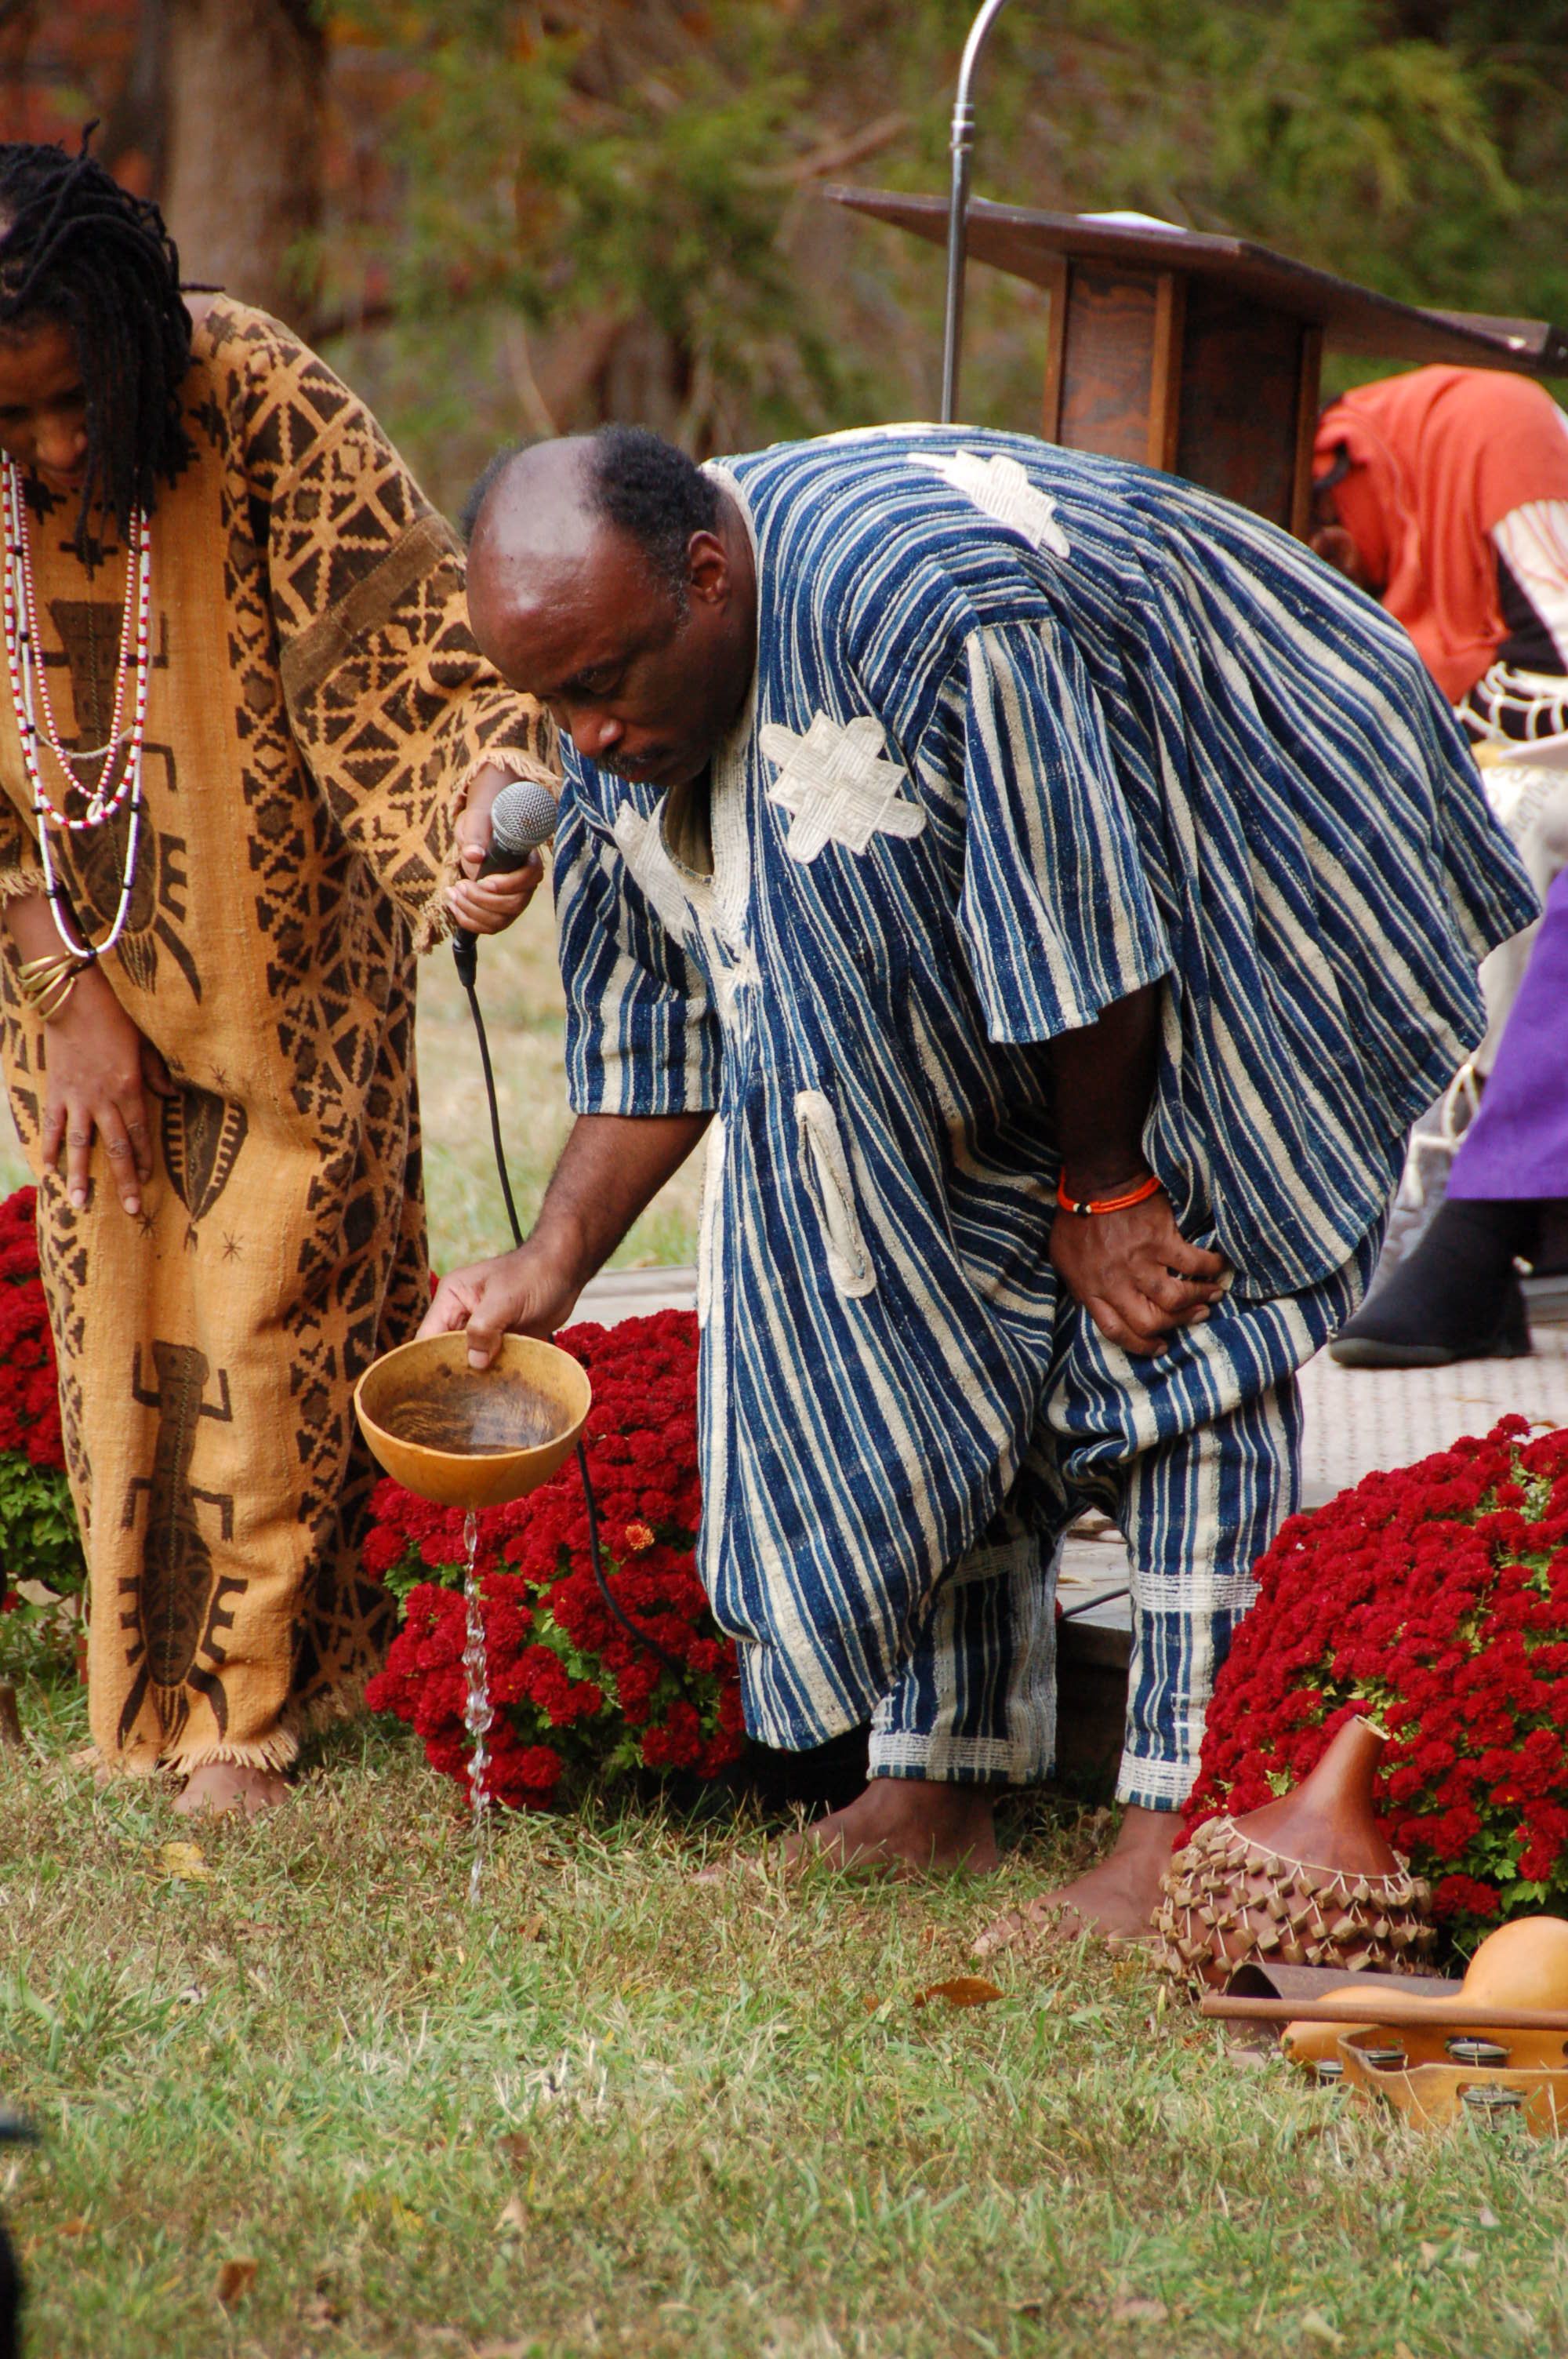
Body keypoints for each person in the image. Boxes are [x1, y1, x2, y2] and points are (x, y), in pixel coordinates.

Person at [423, 423, 1531, 1938]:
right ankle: (934, 1784)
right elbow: (669, 1017)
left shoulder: (938, 611)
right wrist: (549, 1258)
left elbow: (1084, 913)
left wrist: (1102, 1185)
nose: (584, 737)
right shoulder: (621, 677)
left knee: (1173, 1321)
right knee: (932, 1270)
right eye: (549, 701)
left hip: (1230, 816)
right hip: (1060, 923)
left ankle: (1176, 1815)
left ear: (706, 577)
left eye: (600, 686)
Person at [0, 140, 556, 1815]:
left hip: (286, 965)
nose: (46, 448)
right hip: (65, 976)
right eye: (8, 421)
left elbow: (405, 655)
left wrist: (469, 812)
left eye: (68, 403)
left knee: (276, 1299)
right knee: (122, 1315)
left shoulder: (256, 401)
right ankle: (151, 1684)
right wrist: (69, 997)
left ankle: (248, 1712)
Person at [1308, 366, 1568, 1366]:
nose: (1332, 555)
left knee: (1501, 817)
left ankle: (1463, 1205)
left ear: (1347, 466)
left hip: (1537, 787)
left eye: (1325, 525)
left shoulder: (1489, 431)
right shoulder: (1403, 511)